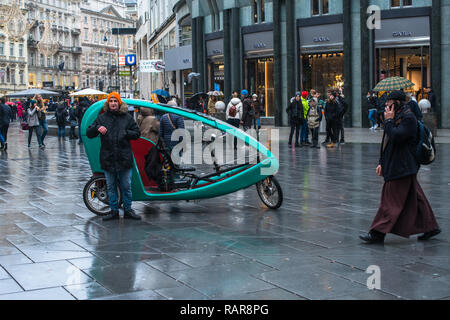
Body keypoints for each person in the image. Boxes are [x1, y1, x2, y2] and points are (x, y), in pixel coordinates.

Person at [360, 91, 441, 243]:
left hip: (402, 166)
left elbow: (397, 136)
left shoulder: (408, 117)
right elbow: (387, 142)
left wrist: (389, 121)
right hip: (397, 164)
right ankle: (430, 227)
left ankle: (378, 233)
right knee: (416, 197)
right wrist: (381, 162)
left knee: (390, 200)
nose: (386, 104)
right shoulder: (396, 116)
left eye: (389, 101)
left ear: (397, 102)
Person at [86, 92, 141, 221]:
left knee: (126, 186)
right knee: (111, 187)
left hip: (124, 157)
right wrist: (97, 128)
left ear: (119, 103)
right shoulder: (102, 118)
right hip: (108, 158)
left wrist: (126, 133)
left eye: (115, 101)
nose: (113, 104)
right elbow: (89, 132)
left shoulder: (127, 118)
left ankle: (128, 210)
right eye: (111, 101)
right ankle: (114, 211)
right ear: (108, 104)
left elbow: (137, 133)